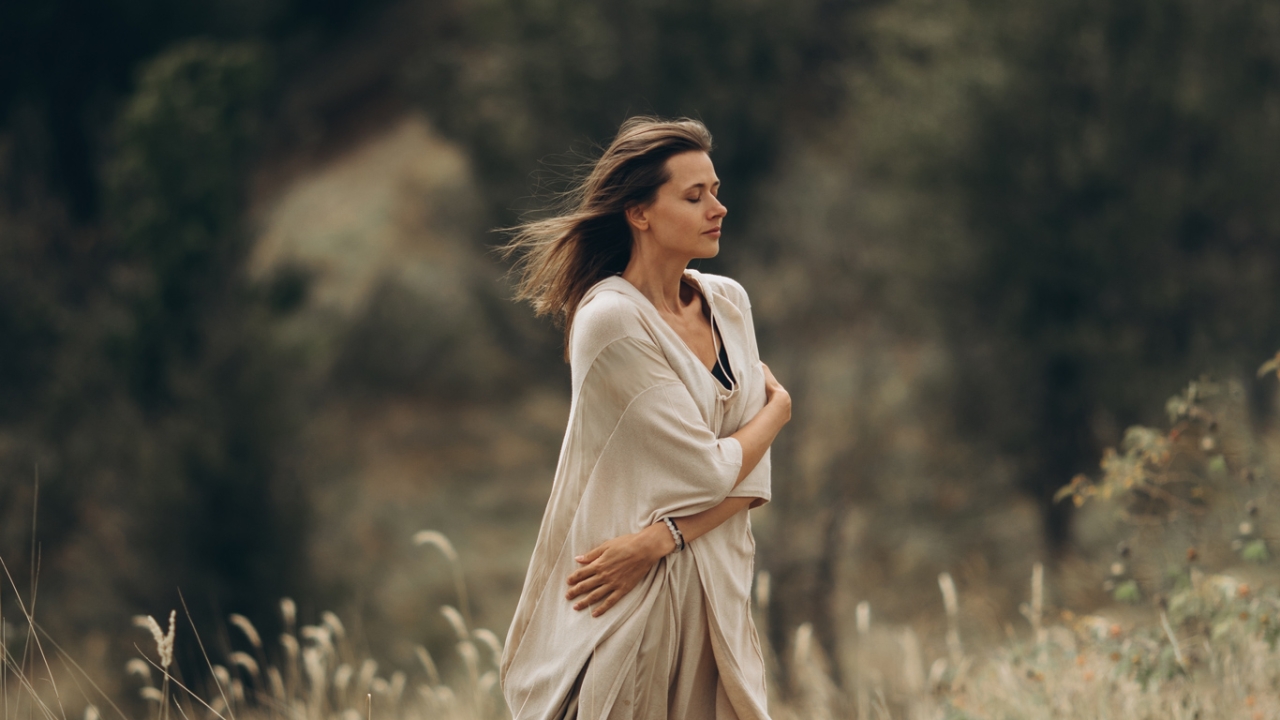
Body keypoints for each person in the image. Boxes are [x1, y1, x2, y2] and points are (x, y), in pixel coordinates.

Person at [499, 117, 791, 720]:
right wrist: (779, 413)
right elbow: (715, 472)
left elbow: (751, 480)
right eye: (694, 195)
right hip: (636, 609)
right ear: (640, 213)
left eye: (714, 189)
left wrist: (663, 536)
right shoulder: (611, 322)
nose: (719, 207)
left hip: (721, 602)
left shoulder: (729, 302)